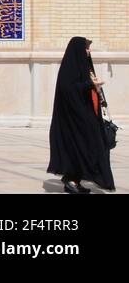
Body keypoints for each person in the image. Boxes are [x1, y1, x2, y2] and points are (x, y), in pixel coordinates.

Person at [47, 36, 116, 193]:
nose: (88, 50)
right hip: (74, 119)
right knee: (80, 147)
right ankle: (71, 180)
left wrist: (95, 88)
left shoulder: (84, 67)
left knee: (91, 147)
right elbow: (68, 90)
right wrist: (89, 84)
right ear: (77, 50)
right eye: (86, 47)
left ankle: (74, 180)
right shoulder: (69, 69)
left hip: (87, 115)